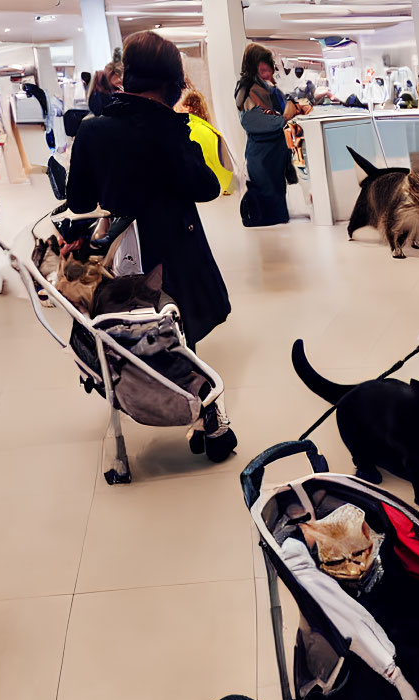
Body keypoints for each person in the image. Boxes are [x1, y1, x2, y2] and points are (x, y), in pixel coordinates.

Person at [67, 31, 236, 459]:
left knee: (127, 328)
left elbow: (80, 201)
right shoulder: (169, 128)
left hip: (119, 249)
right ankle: (211, 422)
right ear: (172, 79)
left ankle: (135, 398)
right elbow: (206, 187)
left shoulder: (93, 130)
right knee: (179, 331)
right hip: (174, 248)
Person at [235, 43, 309, 227]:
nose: (268, 74)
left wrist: (297, 109)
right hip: (262, 155)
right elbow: (252, 122)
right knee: (268, 204)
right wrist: (284, 117)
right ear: (254, 68)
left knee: (276, 201)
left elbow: (283, 107)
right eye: (263, 70)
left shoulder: (268, 89)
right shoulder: (246, 91)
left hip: (273, 153)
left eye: (269, 70)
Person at [176, 88, 234, 195]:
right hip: (222, 187)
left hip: (207, 192)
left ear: (188, 108)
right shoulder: (209, 130)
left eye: (178, 106)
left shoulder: (191, 130)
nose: (175, 110)